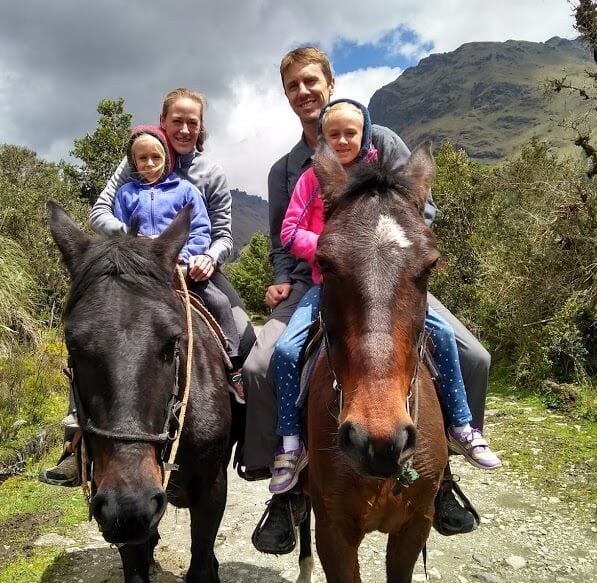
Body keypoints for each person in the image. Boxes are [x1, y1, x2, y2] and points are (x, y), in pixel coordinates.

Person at [245, 47, 491, 554]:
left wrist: (381, 246)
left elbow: (424, 210)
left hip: (391, 277)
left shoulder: (383, 141)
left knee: (473, 355)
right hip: (313, 282)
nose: (303, 92)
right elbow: (280, 236)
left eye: (311, 81)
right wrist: (281, 278)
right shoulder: (286, 169)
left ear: (329, 83)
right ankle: (286, 488)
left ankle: (442, 476)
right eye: (293, 85)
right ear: (286, 94)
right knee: (260, 363)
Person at [267, 99, 499, 496]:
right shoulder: (310, 176)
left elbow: (417, 215)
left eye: (350, 133)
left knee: (463, 349)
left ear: (366, 133)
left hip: (393, 276)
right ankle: (291, 447)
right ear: (320, 141)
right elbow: (287, 232)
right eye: (332, 134)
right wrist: (335, 248)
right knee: (286, 351)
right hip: (332, 280)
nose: (341, 140)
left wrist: (393, 247)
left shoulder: (389, 158)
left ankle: (457, 439)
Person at [39, 88, 255, 487]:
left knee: (243, 330)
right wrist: (135, 246)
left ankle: (248, 429)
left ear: (201, 126)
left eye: (193, 122)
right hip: (140, 272)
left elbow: (219, 232)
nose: (185, 128)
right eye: (178, 120)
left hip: (194, 267)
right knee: (97, 340)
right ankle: (76, 442)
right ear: (163, 121)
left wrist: (205, 257)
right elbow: (101, 212)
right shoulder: (132, 166)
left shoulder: (206, 177)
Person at [113, 124, 245, 396]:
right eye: (142, 158)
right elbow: (121, 233)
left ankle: (234, 367)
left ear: (166, 159)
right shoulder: (125, 194)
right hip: (140, 274)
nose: (149, 164)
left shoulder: (185, 191)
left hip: (181, 269)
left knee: (219, 302)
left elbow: (200, 230)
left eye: (156, 157)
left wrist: (187, 257)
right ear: (133, 161)